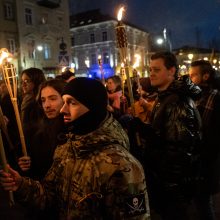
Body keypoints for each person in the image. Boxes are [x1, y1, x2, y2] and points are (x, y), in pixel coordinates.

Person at [0, 77, 150, 220]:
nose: (62, 110)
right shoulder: (67, 149)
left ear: (92, 106)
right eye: (64, 102)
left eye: (71, 103)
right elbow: (49, 196)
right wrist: (21, 184)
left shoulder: (122, 165)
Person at [142, 51, 202, 220]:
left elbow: (178, 150)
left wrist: (169, 187)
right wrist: (141, 128)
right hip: (165, 182)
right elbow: (162, 135)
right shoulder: (164, 97)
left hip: (172, 186)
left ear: (171, 71)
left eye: (157, 70)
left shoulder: (177, 102)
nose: (151, 74)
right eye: (150, 69)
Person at [189, 60, 220, 220]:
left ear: (206, 76)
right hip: (196, 159)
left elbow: (214, 135)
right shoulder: (196, 97)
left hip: (207, 161)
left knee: (203, 203)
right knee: (200, 202)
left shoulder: (215, 98)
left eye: (193, 75)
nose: (190, 78)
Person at [18, 79, 67, 180]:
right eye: (43, 100)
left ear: (65, 99)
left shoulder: (75, 130)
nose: (47, 105)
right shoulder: (37, 132)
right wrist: (26, 164)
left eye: (53, 99)